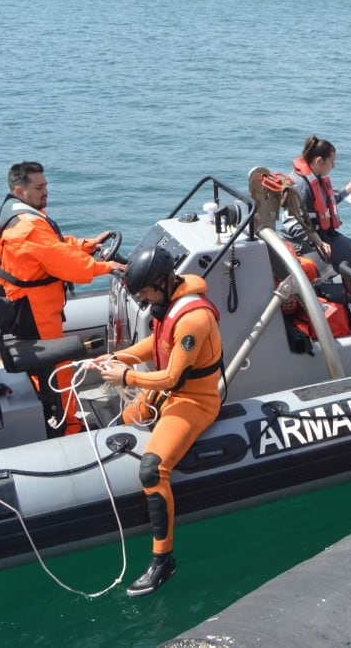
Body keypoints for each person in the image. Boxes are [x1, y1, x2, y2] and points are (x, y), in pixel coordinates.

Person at [97, 241, 223, 597]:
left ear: (164, 280)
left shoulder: (195, 319)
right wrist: (116, 358)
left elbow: (171, 377)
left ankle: (163, 559)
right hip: (165, 394)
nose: (147, 299)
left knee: (152, 469)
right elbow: (155, 344)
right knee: (121, 422)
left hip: (194, 400)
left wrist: (126, 378)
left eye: (148, 291)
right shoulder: (169, 307)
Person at [0, 161, 121, 435]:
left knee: (47, 368)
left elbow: (54, 247)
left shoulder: (20, 216)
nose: (45, 191)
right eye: (39, 187)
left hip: (25, 304)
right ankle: (67, 427)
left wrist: (87, 245)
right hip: (35, 309)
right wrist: (108, 266)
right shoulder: (29, 228)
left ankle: (48, 409)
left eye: (45, 185)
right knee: (58, 368)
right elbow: (69, 265)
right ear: (19, 190)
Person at [288, 134, 351, 270]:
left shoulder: (316, 177)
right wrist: (317, 243)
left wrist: (346, 190)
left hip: (322, 233)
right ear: (319, 161)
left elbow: (324, 200)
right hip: (306, 242)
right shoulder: (300, 185)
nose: (333, 166)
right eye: (331, 162)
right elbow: (291, 223)